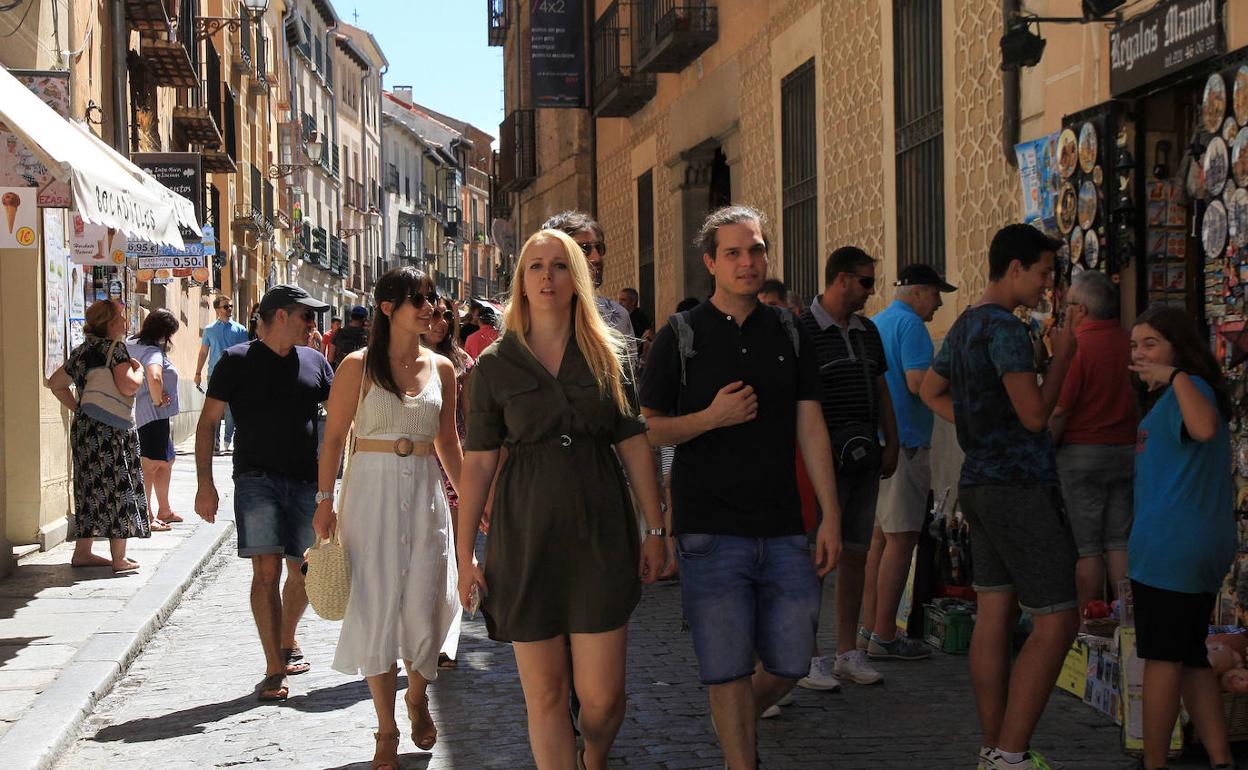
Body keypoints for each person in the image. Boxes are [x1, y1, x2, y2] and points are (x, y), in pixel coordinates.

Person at [640, 205, 843, 770]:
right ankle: (740, 760)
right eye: (733, 252)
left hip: (783, 524)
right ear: (710, 262)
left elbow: (810, 423)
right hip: (710, 528)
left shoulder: (790, 330)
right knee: (726, 664)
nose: (747, 262)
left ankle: (732, 719)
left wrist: (829, 513)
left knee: (791, 662)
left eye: (755, 250)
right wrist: (710, 418)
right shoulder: (681, 336)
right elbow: (647, 426)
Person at [456, 229, 666, 770]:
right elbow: (478, 461)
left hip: (600, 528)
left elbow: (634, 440)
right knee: (545, 695)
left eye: (560, 265)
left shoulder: (608, 354)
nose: (547, 276)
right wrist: (464, 557)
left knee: (603, 700)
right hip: (524, 533)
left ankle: (592, 756)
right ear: (521, 282)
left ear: (578, 278)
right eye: (535, 266)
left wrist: (656, 528)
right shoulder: (496, 364)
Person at [921, 223, 1079, 770]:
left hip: (980, 483)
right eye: (1041, 273)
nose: (1045, 285)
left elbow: (929, 389)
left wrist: (974, 427)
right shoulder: (1008, 331)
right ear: (1014, 269)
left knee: (994, 613)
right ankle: (1010, 755)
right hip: (1017, 487)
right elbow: (1035, 415)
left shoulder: (963, 325)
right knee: (1058, 620)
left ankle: (994, 747)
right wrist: (1063, 357)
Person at [314, 268, 463, 769]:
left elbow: (449, 443)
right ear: (387, 308)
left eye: (431, 300)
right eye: (417, 300)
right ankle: (385, 730)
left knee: (427, 604)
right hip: (368, 498)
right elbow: (333, 439)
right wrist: (323, 501)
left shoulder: (443, 369)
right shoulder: (356, 367)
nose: (429, 308)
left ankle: (417, 696)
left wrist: (474, 499)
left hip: (424, 496)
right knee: (376, 606)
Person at [193, 284, 333, 702]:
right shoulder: (235, 362)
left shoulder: (316, 362)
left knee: (305, 571)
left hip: (308, 481)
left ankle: (287, 639)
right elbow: (207, 425)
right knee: (266, 572)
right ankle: (274, 666)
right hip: (256, 480)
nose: (314, 325)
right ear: (279, 317)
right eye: (306, 316)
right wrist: (205, 483)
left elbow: (341, 421)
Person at [1127, 305, 1235, 770]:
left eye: (1151, 343)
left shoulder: (1189, 388)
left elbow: (1205, 429)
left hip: (1172, 547)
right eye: (1134, 345)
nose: (1139, 354)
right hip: (1186, 542)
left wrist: (1174, 377)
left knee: (1162, 661)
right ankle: (1221, 759)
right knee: (1190, 657)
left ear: (1177, 348)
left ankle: (1154, 763)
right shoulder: (1172, 396)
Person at [794, 246, 899, 691]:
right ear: (840, 279)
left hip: (863, 459)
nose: (870, 291)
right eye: (866, 281)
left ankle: (846, 652)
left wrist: (892, 441)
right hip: (821, 464)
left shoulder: (868, 332)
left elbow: (881, 386)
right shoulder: (800, 331)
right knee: (815, 557)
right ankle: (808, 657)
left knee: (856, 553)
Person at [860, 264, 956, 662]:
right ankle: (884, 635)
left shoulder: (877, 322)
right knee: (901, 542)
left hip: (881, 444)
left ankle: (869, 628)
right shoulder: (912, 327)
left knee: (878, 542)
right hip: (907, 445)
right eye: (935, 294)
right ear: (918, 292)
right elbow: (919, 384)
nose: (938, 303)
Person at [1048, 271, 1138, 613]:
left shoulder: (1078, 347)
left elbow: (1060, 410)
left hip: (1082, 454)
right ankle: (1128, 620)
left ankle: (1089, 624)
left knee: (1086, 548)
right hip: (1126, 450)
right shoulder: (1129, 342)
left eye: (1068, 305)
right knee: (1118, 541)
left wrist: (1045, 448)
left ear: (1080, 310)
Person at [46, 300, 150, 572]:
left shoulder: (81, 352)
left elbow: (55, 384)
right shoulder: (114, 351)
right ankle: (119, 559)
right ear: (110, 323)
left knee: (89, 485)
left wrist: (79, 408)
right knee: (119, 484)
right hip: (113, 430)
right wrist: (139, 372)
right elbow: (127, 386)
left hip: (85, 430)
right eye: (121, 318)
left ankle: (84, 552)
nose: (126, 323)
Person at [423, 297, 475, 669]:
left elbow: (471, 417)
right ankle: (422, 632)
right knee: (425, 553)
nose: (441, 322)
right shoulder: (402, 360)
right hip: (419, 462)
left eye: (447, 316)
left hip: (453, 462)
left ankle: (447, 639)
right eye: (436, 315)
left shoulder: (461, 362)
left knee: (456, 554)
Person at [128, 309, 183, 532]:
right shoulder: (152, 351)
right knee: (149, 465)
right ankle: (148, 515)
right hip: (152, 415)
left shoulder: (131, 343)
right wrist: (158, 399)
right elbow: (154, 376)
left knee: (166, 462)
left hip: (150, 416)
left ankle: (165, 510)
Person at [542, 211, 636, 343]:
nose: (596, 258)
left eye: (599, 247)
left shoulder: (617, 316)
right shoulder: (524, 318)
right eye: (584, 249)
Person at [195, 295, 248, 455]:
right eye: (226, 307)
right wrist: (198, 373)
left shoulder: (240, 329)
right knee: (214, 409)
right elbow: (203, 352)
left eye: (230, 306)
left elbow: (246, 350)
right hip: (214, 373)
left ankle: (227, 439)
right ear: (217, 310)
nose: (229, 309)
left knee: (231, 410)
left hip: (235, 374)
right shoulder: (210, 329)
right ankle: (215, 442)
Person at [617, 287, 654, 361]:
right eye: (619, 300)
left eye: (623, 300)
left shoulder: (640, 318)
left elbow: (645, 338)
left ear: (633, 301)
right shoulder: (623, 316)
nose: (620, 303)